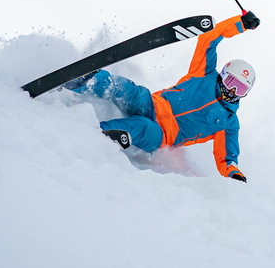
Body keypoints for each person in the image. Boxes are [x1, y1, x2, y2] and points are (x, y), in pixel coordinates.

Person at [66, 11, 260, 181]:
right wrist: (240, 24)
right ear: (223, 75)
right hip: (153, 104)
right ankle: (85, 80)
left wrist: (233, 172)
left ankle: (99, 134)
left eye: (241, 89)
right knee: (130, 91)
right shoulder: (205, 73)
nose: (233, 92)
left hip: (163, 135)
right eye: (231, 83)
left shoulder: (229, 123)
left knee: (142, 127)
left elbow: (227, 159)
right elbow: (209, 38)